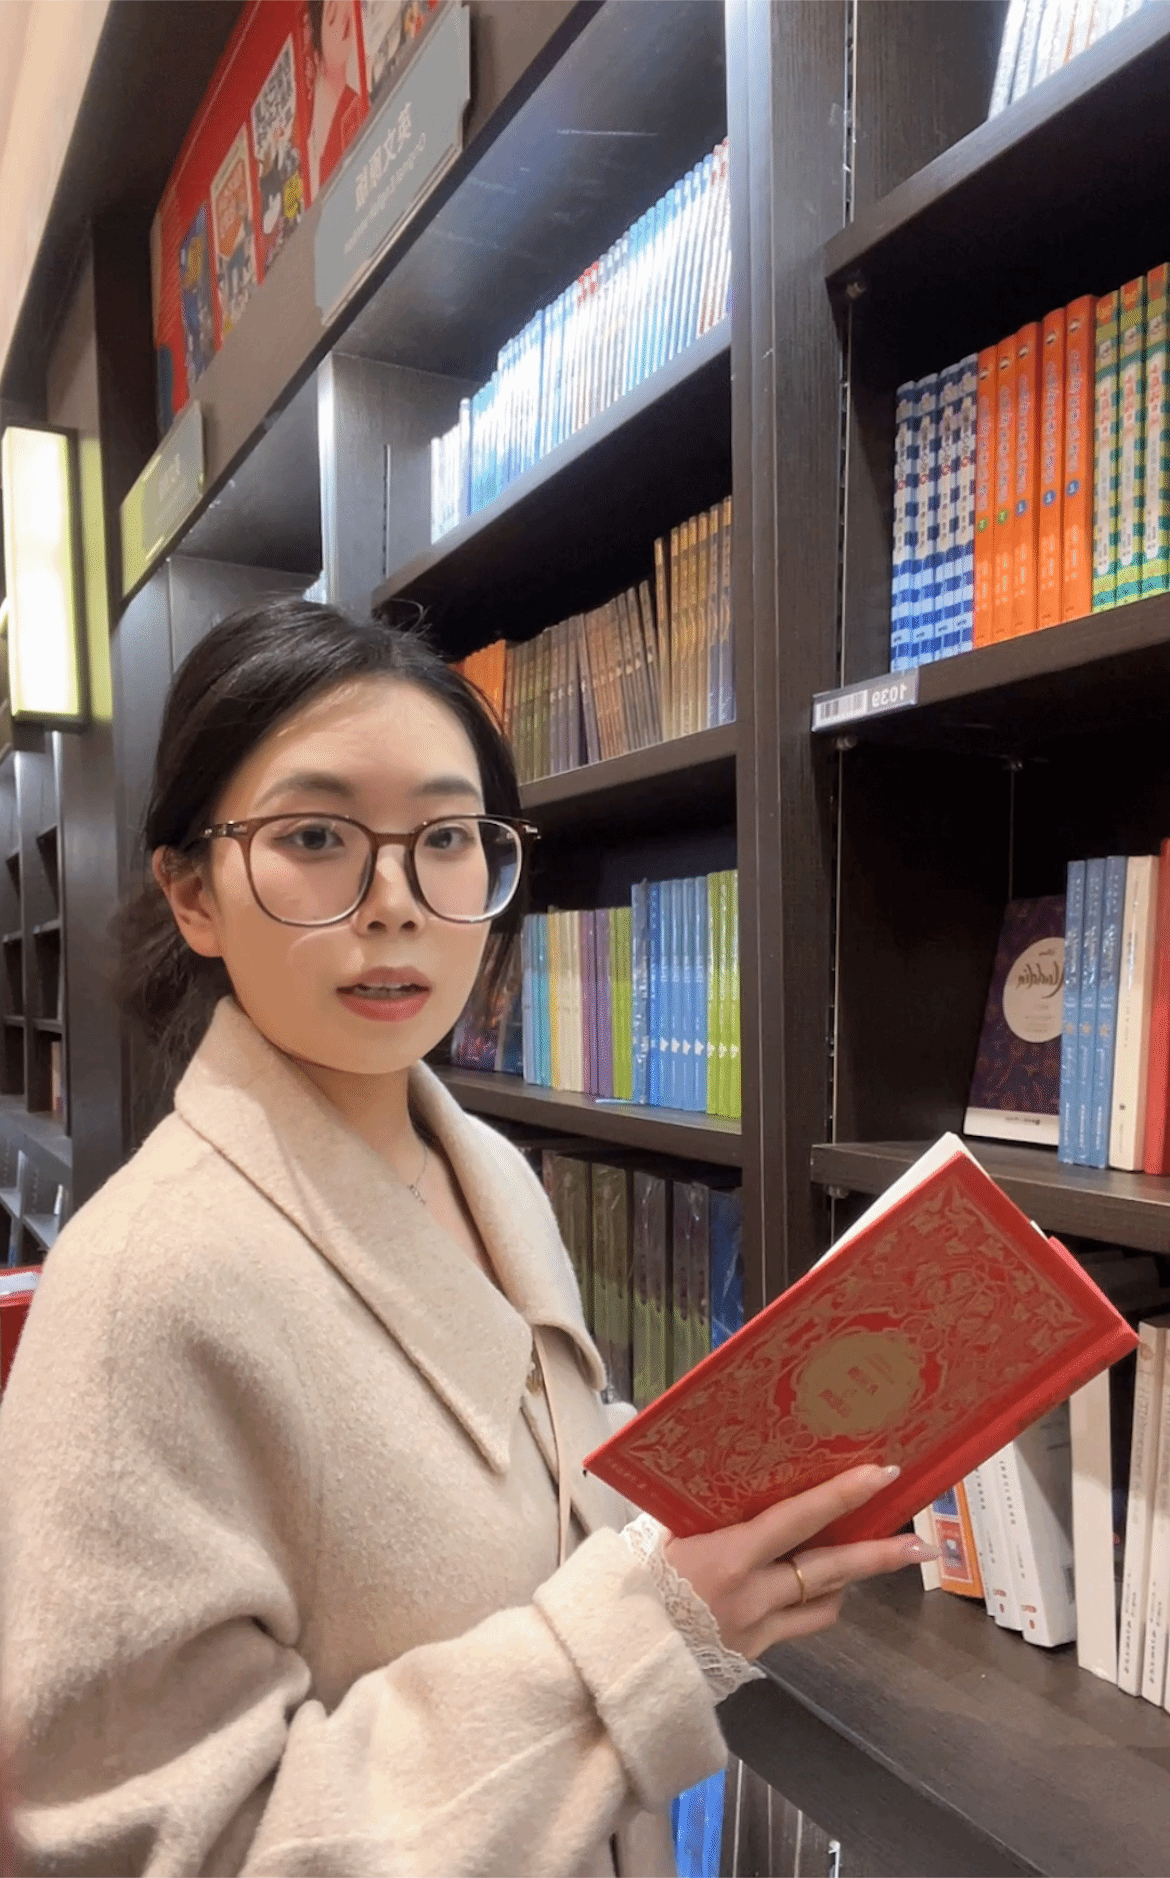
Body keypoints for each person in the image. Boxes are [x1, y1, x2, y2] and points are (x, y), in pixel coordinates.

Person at [0, 600, 936, 1876]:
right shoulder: (141, 1290)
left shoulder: (489, 1171)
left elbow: (538, 1497)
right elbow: (158, 1847)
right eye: (316, 837)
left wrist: (745, 1497)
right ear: (193, 892)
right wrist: (649, 1636)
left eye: (447, 838)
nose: (396, 904)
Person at [304, 0, 364, 199]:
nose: (342, 20)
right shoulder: (321, 149)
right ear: (317, 59)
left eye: (346, 8)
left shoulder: (357, 98)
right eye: (331, 17)